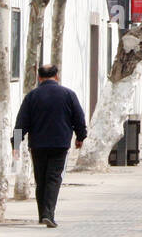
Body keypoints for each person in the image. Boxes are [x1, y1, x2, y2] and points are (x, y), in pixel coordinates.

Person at [12, 64, 87, 228]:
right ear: (57, 76)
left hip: (38, 145)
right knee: (53, 178)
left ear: (39, 78)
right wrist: (81, 137)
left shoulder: (32, 96)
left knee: (41, 179)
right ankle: (48, 214)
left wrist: (16, 143)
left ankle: (42, 214)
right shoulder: (68, 95)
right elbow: (79, 119)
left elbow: (21, 122)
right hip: (60, 144)